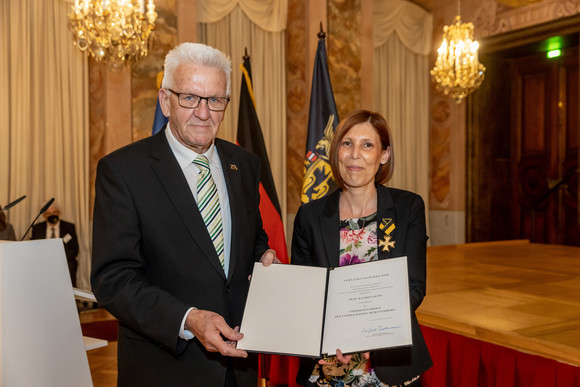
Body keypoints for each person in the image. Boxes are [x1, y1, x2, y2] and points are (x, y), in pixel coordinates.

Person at [91, 42, 278, 387]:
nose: (204, 113)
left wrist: (264, 258)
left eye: (215, 100)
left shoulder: (245, 165)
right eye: (190, 98)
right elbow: (113, 280)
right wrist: (188, 319)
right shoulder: (123, 171)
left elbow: (252, 241)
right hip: (165, 369)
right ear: (165, 100)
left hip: (239, 369)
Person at [291, 110, 432, 387]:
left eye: (367, 145)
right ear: (337, 153)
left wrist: (370, 335)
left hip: (391, 366)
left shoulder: (408, 208)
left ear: (384, 155)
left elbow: (413, 287)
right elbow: (306, 293)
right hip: (328, 367)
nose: (355, 154)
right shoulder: (309, 215)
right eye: (347, 143)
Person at [30, 202, 79, 286]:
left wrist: (59, 258)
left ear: (59, 213)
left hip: (64, 260)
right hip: (43, 260)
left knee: (71, 264)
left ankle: (69, 295)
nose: (52, 215)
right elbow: (34, 248)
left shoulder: (69, 227)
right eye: (48, 213)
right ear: (44, 216)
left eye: (54, 212)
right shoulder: (37, 228)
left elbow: (75, 249)